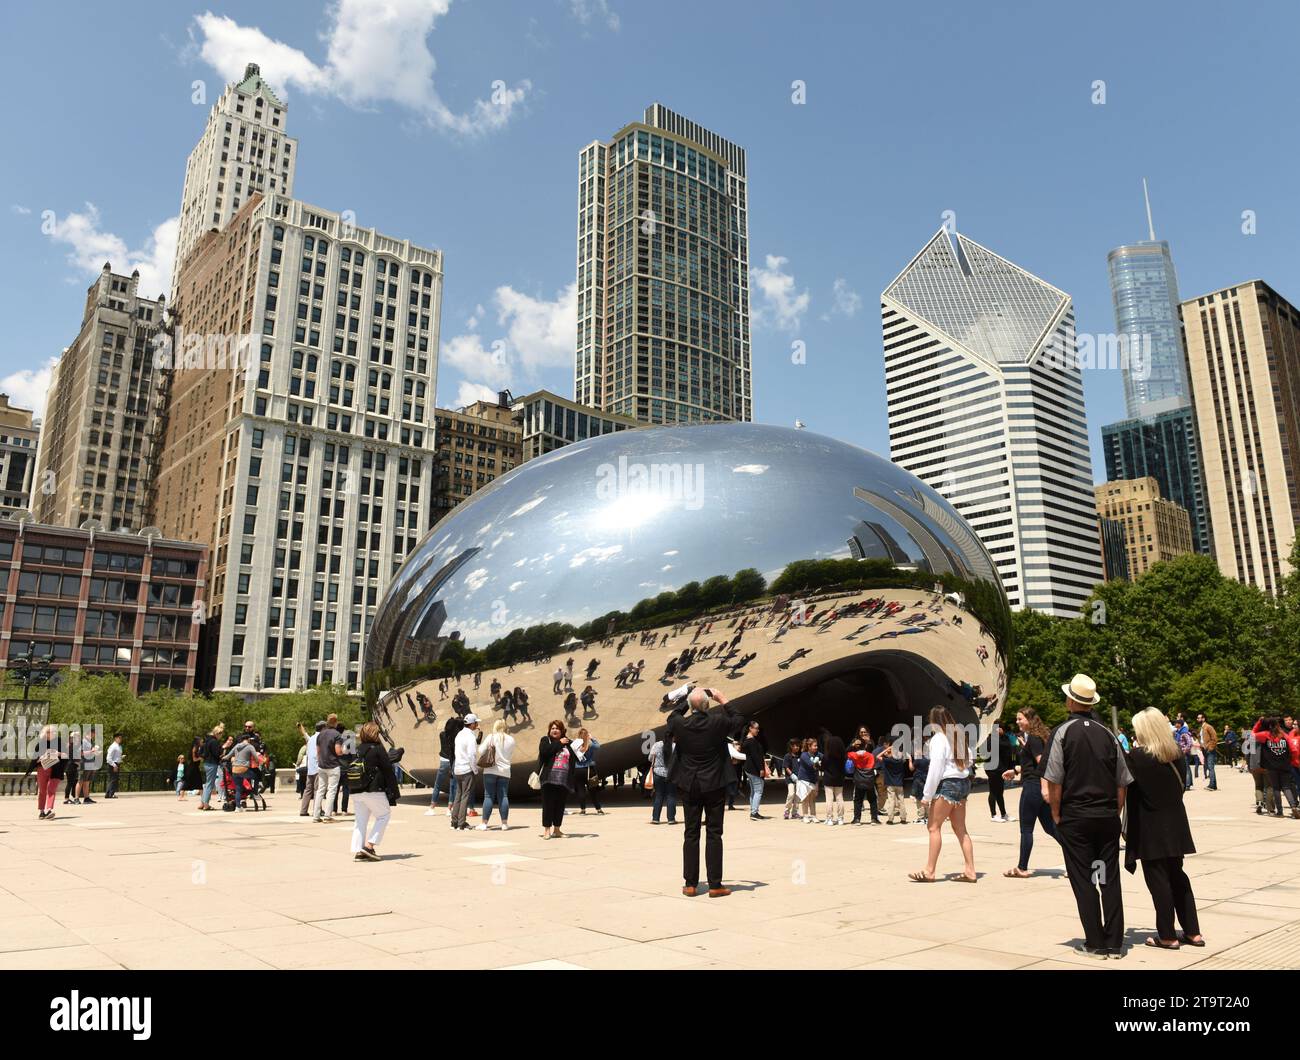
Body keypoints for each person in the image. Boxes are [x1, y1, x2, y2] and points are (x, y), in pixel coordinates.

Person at [1043, 674, 1133, 960]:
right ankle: (1114, 942)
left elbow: (1054, 780)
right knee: (1106, 877)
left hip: (1076, 818)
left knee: (1084, 879)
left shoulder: (1062, 733)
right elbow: (1122, 781)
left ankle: (1095, 941)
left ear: (1071, 701)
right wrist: (1114, 812)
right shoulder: (1107, 733)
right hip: (1105, 817)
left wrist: (1056, 814)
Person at [1125, 707, 1204, 950]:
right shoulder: (1176, 755)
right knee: (1178, 877)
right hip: (1176, 823)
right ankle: (1193, 932)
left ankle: (1167, 935)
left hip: (1151, 827)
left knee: (1158, 881)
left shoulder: (1137, 758)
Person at [666, 687, 742, 897]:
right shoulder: (717, 722)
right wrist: (722, 697)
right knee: (714, 833)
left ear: (691, 707)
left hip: (690, 784)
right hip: (714, 784)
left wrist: (687, 697)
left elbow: (672, 716)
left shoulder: (681, 724)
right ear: (708, 705)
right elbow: (738, 719)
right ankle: (715, 885)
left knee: (691, 833)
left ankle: (690, 884)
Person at [908, 706, 976, 883]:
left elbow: (935, 769)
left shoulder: (938, 739)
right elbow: (970, 759)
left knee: (933, 827)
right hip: (962, 782)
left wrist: (927, 795)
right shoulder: (958, 736)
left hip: (947, 785)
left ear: (933, 722)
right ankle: (970, 870)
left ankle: (930, 871)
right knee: (961, 829)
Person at [1003, 707, 1060, 878]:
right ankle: (1078, 857)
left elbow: (1042, 763)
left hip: (1033, 787)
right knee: (1051, 828)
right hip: (1038, 786)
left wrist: (1043, 788)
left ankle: (1022, 867)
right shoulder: (1039, 737)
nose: (1017, 722)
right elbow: (1033, 764)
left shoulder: (1034, 739)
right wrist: (1016, 770)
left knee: (1026, 829)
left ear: (1029, 719)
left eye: (1020, 719)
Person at [349, 722, 399, 861]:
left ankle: (359, 851)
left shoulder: (357, 749)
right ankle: (369, 846)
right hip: (373, 789)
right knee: (384, 815)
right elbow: (388, 770)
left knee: (360, 821)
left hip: (356, 790)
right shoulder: (377, 748)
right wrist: (394, 792)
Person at [1251, 716, 1298, 818]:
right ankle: (1293, 806)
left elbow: (1252, 735)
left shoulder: (1265, 735)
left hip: (1271, 766)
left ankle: (1280, 812)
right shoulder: (1284, 735)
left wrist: (1259, 722)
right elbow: (1293, 749)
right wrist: (1290, 760)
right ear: (1277, 725)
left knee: (1276, 788)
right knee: (1286, 787)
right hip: (1285, 765)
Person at [537, 720, 577, 839]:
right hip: (548, 779)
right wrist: (559, 743)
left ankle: (557, 829)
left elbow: (575, 758)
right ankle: (547, 830)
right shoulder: (545, 740)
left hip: (563, 780)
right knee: (548, 804)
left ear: (562, 731)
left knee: (560, 805)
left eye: (557, 728)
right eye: (552, 728)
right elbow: (545, 752)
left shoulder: (568, 743)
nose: (554, 730)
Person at [477, 720, 515, 831]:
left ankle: (484, 823)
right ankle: (504, 823)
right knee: (503, 796)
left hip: (490, 770)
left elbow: (480, 750)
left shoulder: (491, 737)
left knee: (488, 796)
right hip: (505, 771)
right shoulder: (511, 739)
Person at [24, 724, 67, 820]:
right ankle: (42, 811)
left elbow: (67, 756)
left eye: (53, 732)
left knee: (51, 789)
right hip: (42, 769)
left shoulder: (60, 742)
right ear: (45, 733)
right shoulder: (40, 744)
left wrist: (58, 753)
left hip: (56, 769)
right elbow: (35, 760)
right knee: (42, 791)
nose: (53, 733)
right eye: (49, 732)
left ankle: (49, 810)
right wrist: (40, 758)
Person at [428, 713, 464, 816]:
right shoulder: (456, 736)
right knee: (453, 786)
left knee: (437, 785)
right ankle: (449, 809)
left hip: (443, 761)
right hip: (453, 761)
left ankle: (432, 807)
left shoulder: (442, 735)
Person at [450, 714, 481, 831]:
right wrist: (475, 770)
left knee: (458, 795)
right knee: (465, 795)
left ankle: (454, 821)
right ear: (472, 724)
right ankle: (461, 822)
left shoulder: (459, 734)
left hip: (457, 769)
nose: (477, 725)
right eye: (476, 723)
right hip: (466, 769)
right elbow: (472, 755)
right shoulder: (471, 737)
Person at [313, 715, 345, 823]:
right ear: (335, 723)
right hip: (333, 765)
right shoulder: (337, 735)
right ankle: (327, 816)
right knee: (331, 791)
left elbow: (317, 752)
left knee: (320, 791)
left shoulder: (320, 734)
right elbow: (338, 751)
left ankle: (316, 816)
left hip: (321, 765)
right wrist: (343, 751)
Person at [848, 738, 881, 824]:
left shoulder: (853, 755)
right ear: (865, 746)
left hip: (859, 781)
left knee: (858, 800)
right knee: (873, 800)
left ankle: (857, 819)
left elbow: (846, 752)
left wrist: (852, 745)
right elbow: (874, 765)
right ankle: (874, 819)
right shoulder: (870, 755)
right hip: (870, 781)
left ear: (856, 746)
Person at [741, 721, 769, 820]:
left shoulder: (747, 740)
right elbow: (756, 756)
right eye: (756, 728)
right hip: (754, 769)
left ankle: (753, 811)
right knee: (758, 791)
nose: (757, 730)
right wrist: (761, 769)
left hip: (749, 768)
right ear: (750, 728)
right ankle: (754, 812)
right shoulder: (752, 741)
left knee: (754, 791)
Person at [984, 721, 1011, 822]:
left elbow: (1008, 745)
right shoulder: (991, 739)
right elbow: (1001, 746)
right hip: (992, 769)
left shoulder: (1003, 738)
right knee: (993, 791)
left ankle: (1003, 814)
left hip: (1001, 768)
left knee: (1000, 792)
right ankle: (993, 815)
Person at [573, 728, 604, 814]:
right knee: (593, 790)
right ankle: (598, 809)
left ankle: (583, 809)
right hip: (589, 770)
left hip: (578, 769)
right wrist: (592, 738)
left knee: (580, 790)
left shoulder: (575, 746)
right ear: (587, 735)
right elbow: (598, 746)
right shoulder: (590, 745)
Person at [648, 733, 677, 824]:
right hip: (671, 774)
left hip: (657, 773)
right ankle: (671, 819)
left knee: (659, 795)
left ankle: (656, 818)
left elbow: (650, 758)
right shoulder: (674, 746)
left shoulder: (656, 745)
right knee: (671, 796)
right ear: (673, 737)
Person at [820, 730, 847, 826]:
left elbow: (822, 768)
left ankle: (829, 818)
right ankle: (840, 818)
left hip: (828, 779)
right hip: (839, 779)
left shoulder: (826, 757)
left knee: (829, 800)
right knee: (840, 799)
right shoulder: (843, 757)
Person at [881, 741, 910, 824]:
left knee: (891, 801)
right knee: (901, 801)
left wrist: (887, 749)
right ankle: (903, 818)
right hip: (899, 783)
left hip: (890, 783)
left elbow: (877, 756)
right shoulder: (901, 761)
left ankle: (890, 819)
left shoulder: (888, 760)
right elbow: (906, 756)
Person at [198, 724, 224, 811]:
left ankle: (202, 803)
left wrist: (205, 756)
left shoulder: (206, 740)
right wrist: (223, 750)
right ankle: (206, 804)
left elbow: (200, 752)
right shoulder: (214, 742)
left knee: (207, 784)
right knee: (210, 785)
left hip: (206, 763)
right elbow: (217, 754)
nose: (221, 736)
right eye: (221, 734)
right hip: (212, 764)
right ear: (218, 733)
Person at [795, 738, 821, 822]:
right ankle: (805, 816)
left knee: (812, 799)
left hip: (813, 780)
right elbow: (811, 765)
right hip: (804, 780)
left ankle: (813, 816)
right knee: (805, 798)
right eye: (814, 746)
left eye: (817, 746)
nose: (816, 747)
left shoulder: (818, 754)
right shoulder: (804, 755)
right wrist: (818, 763)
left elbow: (825, 758)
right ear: (809, 746)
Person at [299, 722, 322, 816]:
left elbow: (304, 733)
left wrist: (300, 726)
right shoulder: (321, 738)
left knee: (308, 790)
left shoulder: (311, 738)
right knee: (317, 790)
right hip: (317, 767)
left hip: (310, 768)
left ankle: (303, 811)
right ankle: (317, 810)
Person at [781, 738, 802, 820]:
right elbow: (786, 767)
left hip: (800, 779)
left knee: (798, 796)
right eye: (795, 746)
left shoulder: (800, 756)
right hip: (790, 779)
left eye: (798, 746)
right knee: (791, 794)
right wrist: (792, 775)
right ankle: (787, 811)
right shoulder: (788, 756)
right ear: (791, 746)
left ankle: (795, 812)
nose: (797, 747)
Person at [1196, 714, 1218, 791]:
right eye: (1197, 718)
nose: (1197, 719)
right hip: (1204, 749)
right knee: (1209, 767)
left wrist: (1210, 747)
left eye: (1199, 718)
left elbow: (1214, 737)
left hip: (1209, 750)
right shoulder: (1201, 728)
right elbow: (1202, 739)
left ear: (1204, 719)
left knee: (1210, 767)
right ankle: (1213, 785)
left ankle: (1212, 785)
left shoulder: (1208, 726)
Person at [104, 733, 124, 798]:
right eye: (119, 738)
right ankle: (111, 794)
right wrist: (114, 765)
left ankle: (108, 794)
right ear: (115, 738)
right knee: (113, 780)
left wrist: (121, 757)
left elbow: (116, 756)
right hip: (113, 764)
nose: (121, 739)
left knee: (113, 779)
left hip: (116, 763)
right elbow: (108, 758)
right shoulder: (113, 746)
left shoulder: (119, 746)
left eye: (121, 738)